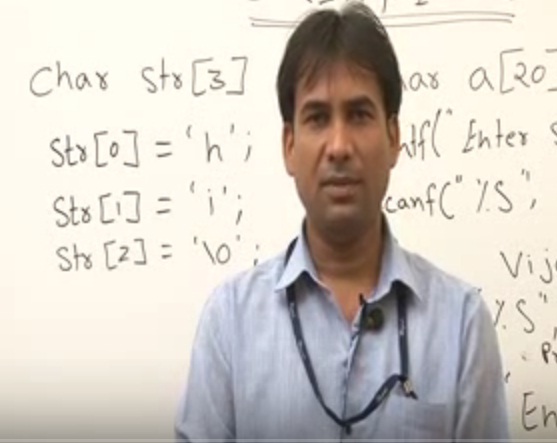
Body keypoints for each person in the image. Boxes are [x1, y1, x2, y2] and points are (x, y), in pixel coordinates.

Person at [175, 1, 510, 440]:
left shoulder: (461, 324)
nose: (338, 146)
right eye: (317, 118)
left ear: (394, 137)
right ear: (289, 145)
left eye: (359, 115)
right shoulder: (230, 323)